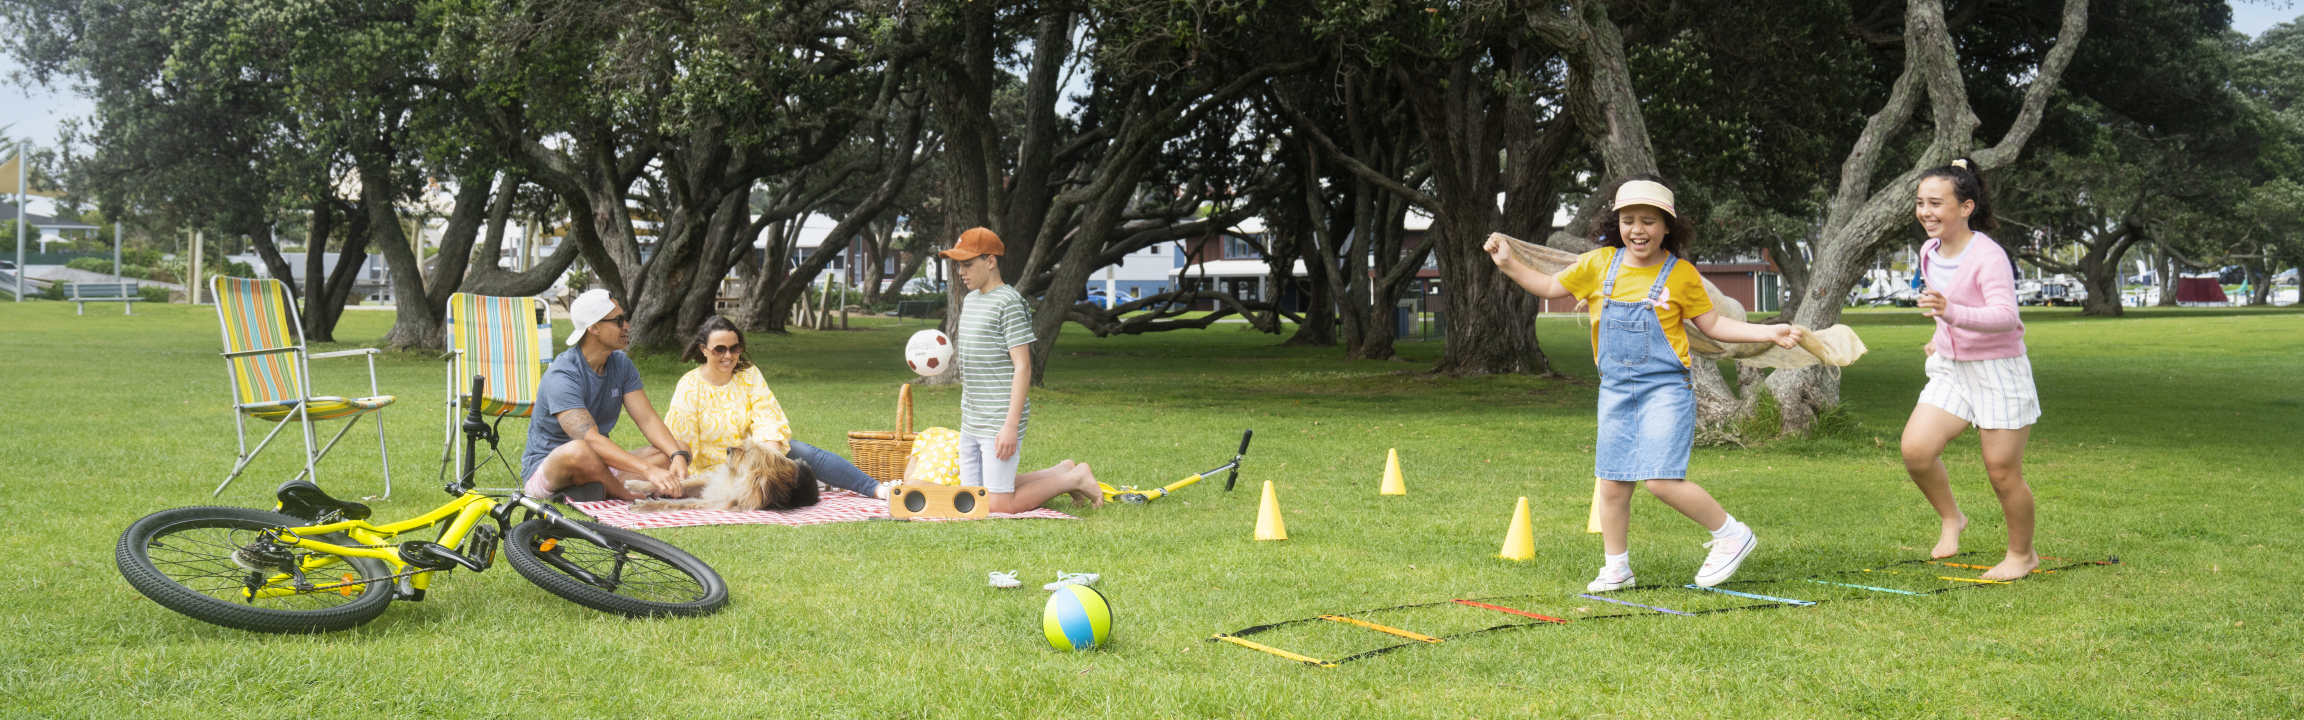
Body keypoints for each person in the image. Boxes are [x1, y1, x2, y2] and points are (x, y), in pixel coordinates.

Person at [1483, 176, 1801, 592]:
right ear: (1617, 224)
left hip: (1666, 390)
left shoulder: (1681, 274)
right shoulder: (1598, 264)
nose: (1638, 229)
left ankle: (1731, 534)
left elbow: (1715, 326)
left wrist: (1769, 332)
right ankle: (1617, 568)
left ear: (1668, 227)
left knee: (1661, 479)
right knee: (1613, 482)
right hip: (1615, 391)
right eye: (1629, 219)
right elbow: (1548, 287)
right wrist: (1508, 262)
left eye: (1649, 221)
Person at [667, 314, 1105, 504]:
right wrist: (679, 473)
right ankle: (1063, 474)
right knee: (992, 496)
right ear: (703, 349)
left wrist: (765, 446)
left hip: (762, 456)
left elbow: (768, 414)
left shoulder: (749, 374)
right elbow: (680, 441)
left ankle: (876, 489)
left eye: (735, 347)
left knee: (806, 453)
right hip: (722, 467)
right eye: (720, 349)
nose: (728, 355)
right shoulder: (690, 387)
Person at [1902, 158, 2040, 581]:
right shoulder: (1928, 250)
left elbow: (2004, 316)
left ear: (1965, 207)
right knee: (1917, 451)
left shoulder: (1988, 256)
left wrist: (1952, 313)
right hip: (1950, 367)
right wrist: (1941, 334)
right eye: (1921, 203)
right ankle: (1952, 518)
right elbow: (1944, 307)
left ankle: (2022, 555)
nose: (1925, 212)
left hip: (1998, 370)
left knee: (2001, 472)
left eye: (1936, 203)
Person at [939, 227, 1103, 512]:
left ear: (991, 261)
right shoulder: (971, 300)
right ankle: (1061, 471)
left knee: (996, 505)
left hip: (1000, 417)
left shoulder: (1009, 303)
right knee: (971, 499)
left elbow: (1023, 366)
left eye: (967, 264)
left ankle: (1075, 478)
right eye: (958, 266)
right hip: (973, 416)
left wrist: (1010, 426)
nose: (961, 272)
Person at [522, 289, 691, 502]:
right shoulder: (563, 375)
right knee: (578, 450)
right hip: (551, 471)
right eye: (618, 321)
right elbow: (590, 440)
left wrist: (677, 457)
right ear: (593, 327)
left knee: (680, 448)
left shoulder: (620, 364)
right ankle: (623, 494)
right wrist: (649, 470)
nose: (627, 326)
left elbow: (648, 420)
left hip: (599, 466)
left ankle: (595, 489)